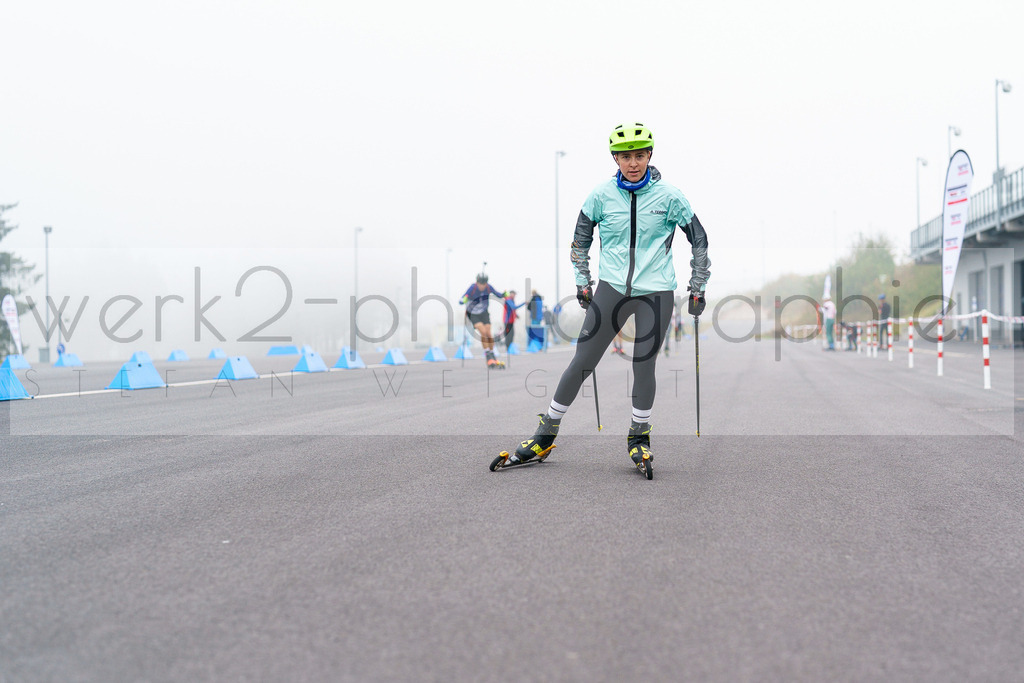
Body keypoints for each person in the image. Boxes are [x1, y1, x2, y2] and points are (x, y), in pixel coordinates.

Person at [508, 122, 711, 471]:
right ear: (615, 158)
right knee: (582, 361)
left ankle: (639, 435)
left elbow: (700, 240)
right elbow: (579, 244)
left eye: (639, 155)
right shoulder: (600, 196)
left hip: (656, 292)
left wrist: (698, 285)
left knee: (643, 364)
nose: (633, 163)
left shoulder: (670, 197)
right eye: (625, 156)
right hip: (611, 289)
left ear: (649, 155)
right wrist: (582, 282)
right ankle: (546, 433)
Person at [460, 273, 506, 368]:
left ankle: (492, 354)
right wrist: (463, 300)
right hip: (473, 314)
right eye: (481, 284)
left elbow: (498, 294)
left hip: (484, 313)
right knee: (483, 332)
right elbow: (462, 299)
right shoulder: (472, 288)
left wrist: (504, 294)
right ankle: (488, 356)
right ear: (477, 282)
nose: (482, 286)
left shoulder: (488, 287)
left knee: (489, 333)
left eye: (484, 284)